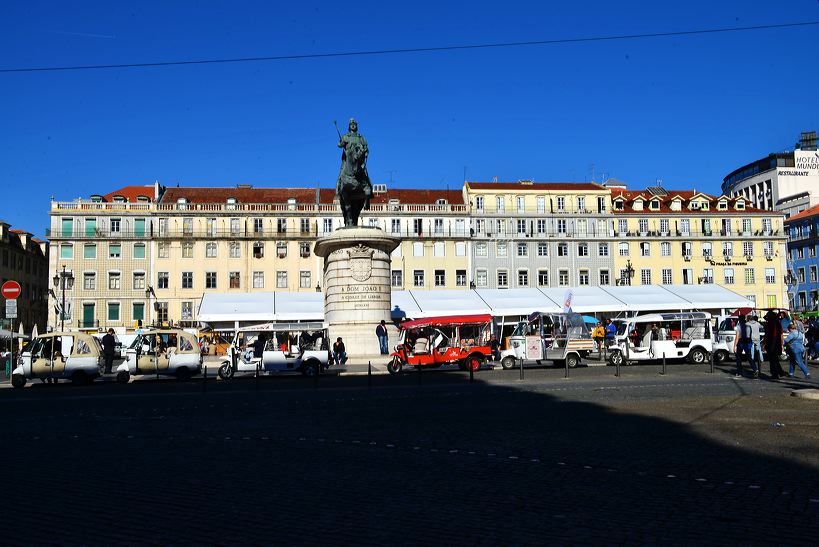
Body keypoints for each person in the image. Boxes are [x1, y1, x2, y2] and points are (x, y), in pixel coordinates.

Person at [335, 117, 373, 227]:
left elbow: (366, 149)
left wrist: (365, 153)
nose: (353, 125)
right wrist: (342, 142)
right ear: (349, 126)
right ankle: (339, 188)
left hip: (359, 161)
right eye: (351, 124)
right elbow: (339, 145)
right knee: (341, 174)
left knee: (366, 175)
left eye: (354, 124)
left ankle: (368, 197)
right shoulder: (346, 136)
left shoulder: (361, 138)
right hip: (348, 160)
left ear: (356, 126)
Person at [763, 310, 786, 379]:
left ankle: (775, 374)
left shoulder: (770, 323)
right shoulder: (778, 323)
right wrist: (782, 343)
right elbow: (781, 334)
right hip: (777, 342)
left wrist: (764, 342)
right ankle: (780, 372)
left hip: (772, 341)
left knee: (772, 359)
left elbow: (767, 334)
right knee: (775, 358)